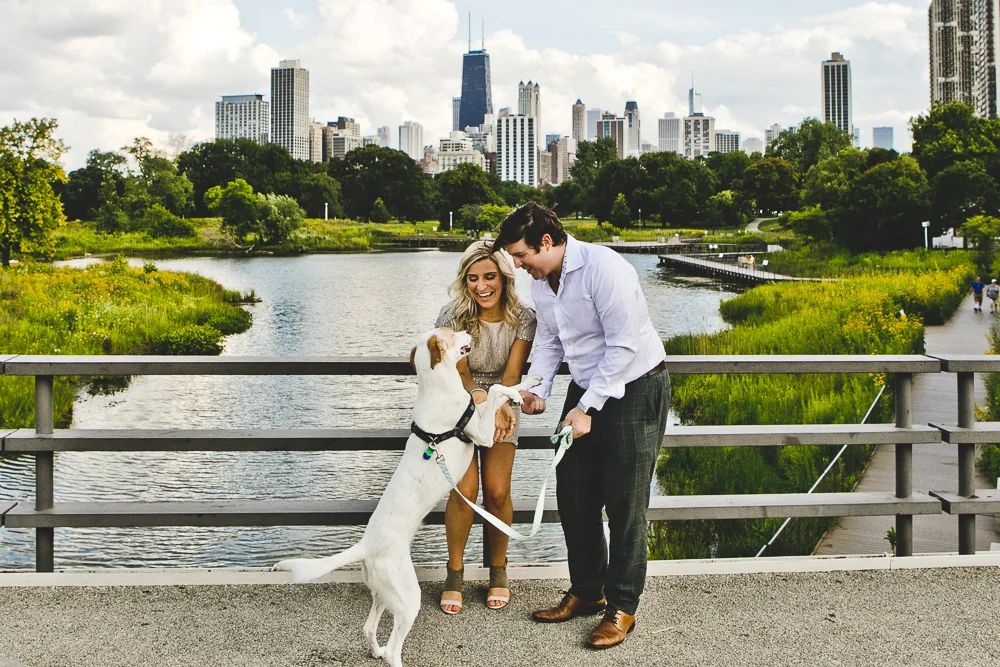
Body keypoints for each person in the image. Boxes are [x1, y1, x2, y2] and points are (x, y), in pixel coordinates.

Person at [493, 203, 669, 650]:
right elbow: (551, 340)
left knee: (626, 505)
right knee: (574, 495)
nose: (518, 265)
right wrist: (538, 388)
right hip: (588, 389)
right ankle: (588, 591)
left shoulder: (605, 268)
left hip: (635, 386)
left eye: (521, 255)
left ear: (546, 242)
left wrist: (587, 407)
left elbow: (624, 346)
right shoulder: (542, 280)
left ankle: (622, 607)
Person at [434, 241, 536, 615]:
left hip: (503, 401)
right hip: (461, 401)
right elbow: (459, 372)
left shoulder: (523, 317)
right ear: (465, 281)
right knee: (465, 491)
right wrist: (478, 396)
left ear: (504, 278)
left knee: (497, 490)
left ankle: (498, 569)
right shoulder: (452, 315)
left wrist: (500, 403)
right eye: (473, 278)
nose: (481, 286)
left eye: (490, 277)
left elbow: (513, 373)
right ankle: (454, 574)